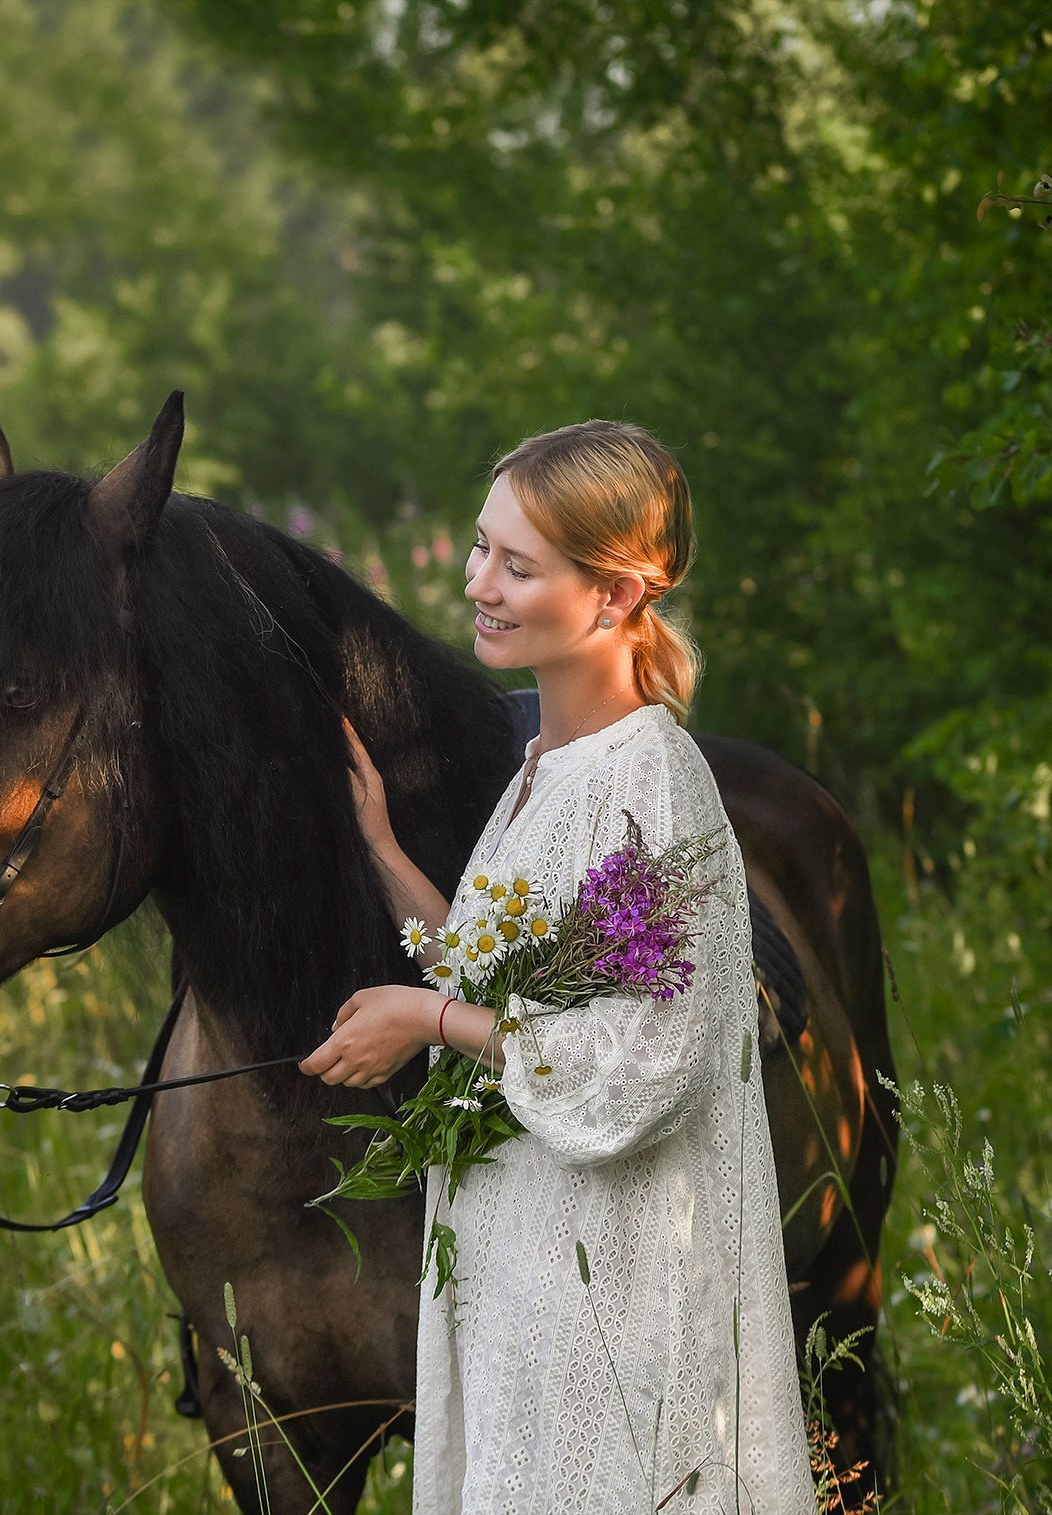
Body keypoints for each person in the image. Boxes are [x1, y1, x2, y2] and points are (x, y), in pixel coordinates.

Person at [299, 421, 814, 1513]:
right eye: (480, 548)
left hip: (603, 1289)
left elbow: (640, 1063)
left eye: (516, 566)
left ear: (617, 595)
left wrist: (424, 1024)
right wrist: (384, 849)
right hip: (523, 1273)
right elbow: (512, 990)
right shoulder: (549, 765)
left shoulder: (647, 789)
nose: (477, 583)